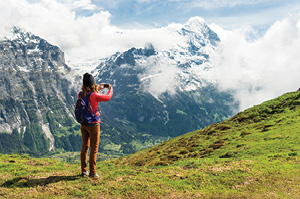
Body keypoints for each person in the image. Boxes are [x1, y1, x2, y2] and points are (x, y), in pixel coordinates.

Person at [78, 73, 113, 178]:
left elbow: (89, 93)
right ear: (93, 84)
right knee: (94, 148)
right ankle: (92, 172)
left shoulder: (80, 94)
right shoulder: (94, 95)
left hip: (83, 124)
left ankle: (84, 171)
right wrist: (110, 89)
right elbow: (107, 97)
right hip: (93, 125)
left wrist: (98, 88)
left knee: (84, 147)